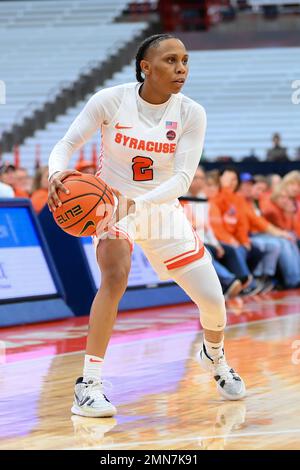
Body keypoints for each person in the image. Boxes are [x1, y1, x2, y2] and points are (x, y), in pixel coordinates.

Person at [48, 34, 246, 418]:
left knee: (213, 302)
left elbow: (184, 179)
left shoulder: (191, 112)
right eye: (171, 60)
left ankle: (215, 356)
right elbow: (66, 144)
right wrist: (57, 172)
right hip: (109, 206)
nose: (181, 69)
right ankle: (88, 384)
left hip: (160, 210)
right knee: (115, 275)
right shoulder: (111, 100)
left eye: (185, 61)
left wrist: (137, 203)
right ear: (146, 66)